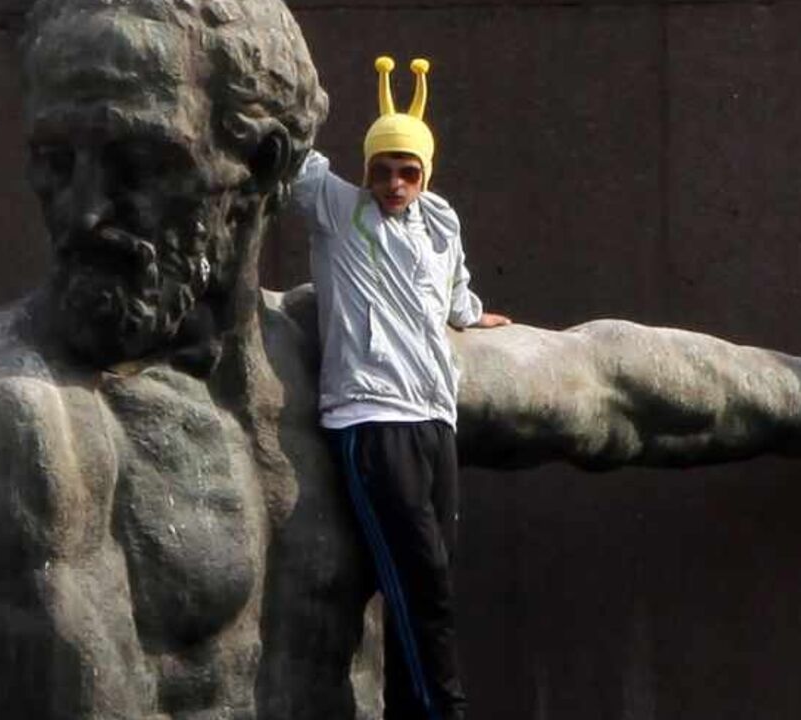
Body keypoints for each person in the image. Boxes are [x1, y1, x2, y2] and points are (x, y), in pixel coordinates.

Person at [0, 1, 801, 719]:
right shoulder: (28, 424)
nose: (83, 210)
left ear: (266, 169)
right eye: (54, 160)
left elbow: (614, 390)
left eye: (135, 160)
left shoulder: (332, 355)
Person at [290, 56, 509, 720]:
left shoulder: (439, 224)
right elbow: (290, 143)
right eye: (382, 169)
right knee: (421, 586)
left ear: (425, 174)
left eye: (407, 171)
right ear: (365, 170)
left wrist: (474, 317)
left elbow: (454, 295)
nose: (393, 182)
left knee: (431, 579)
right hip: (369, 421)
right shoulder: (337, 209)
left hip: (433, 422)